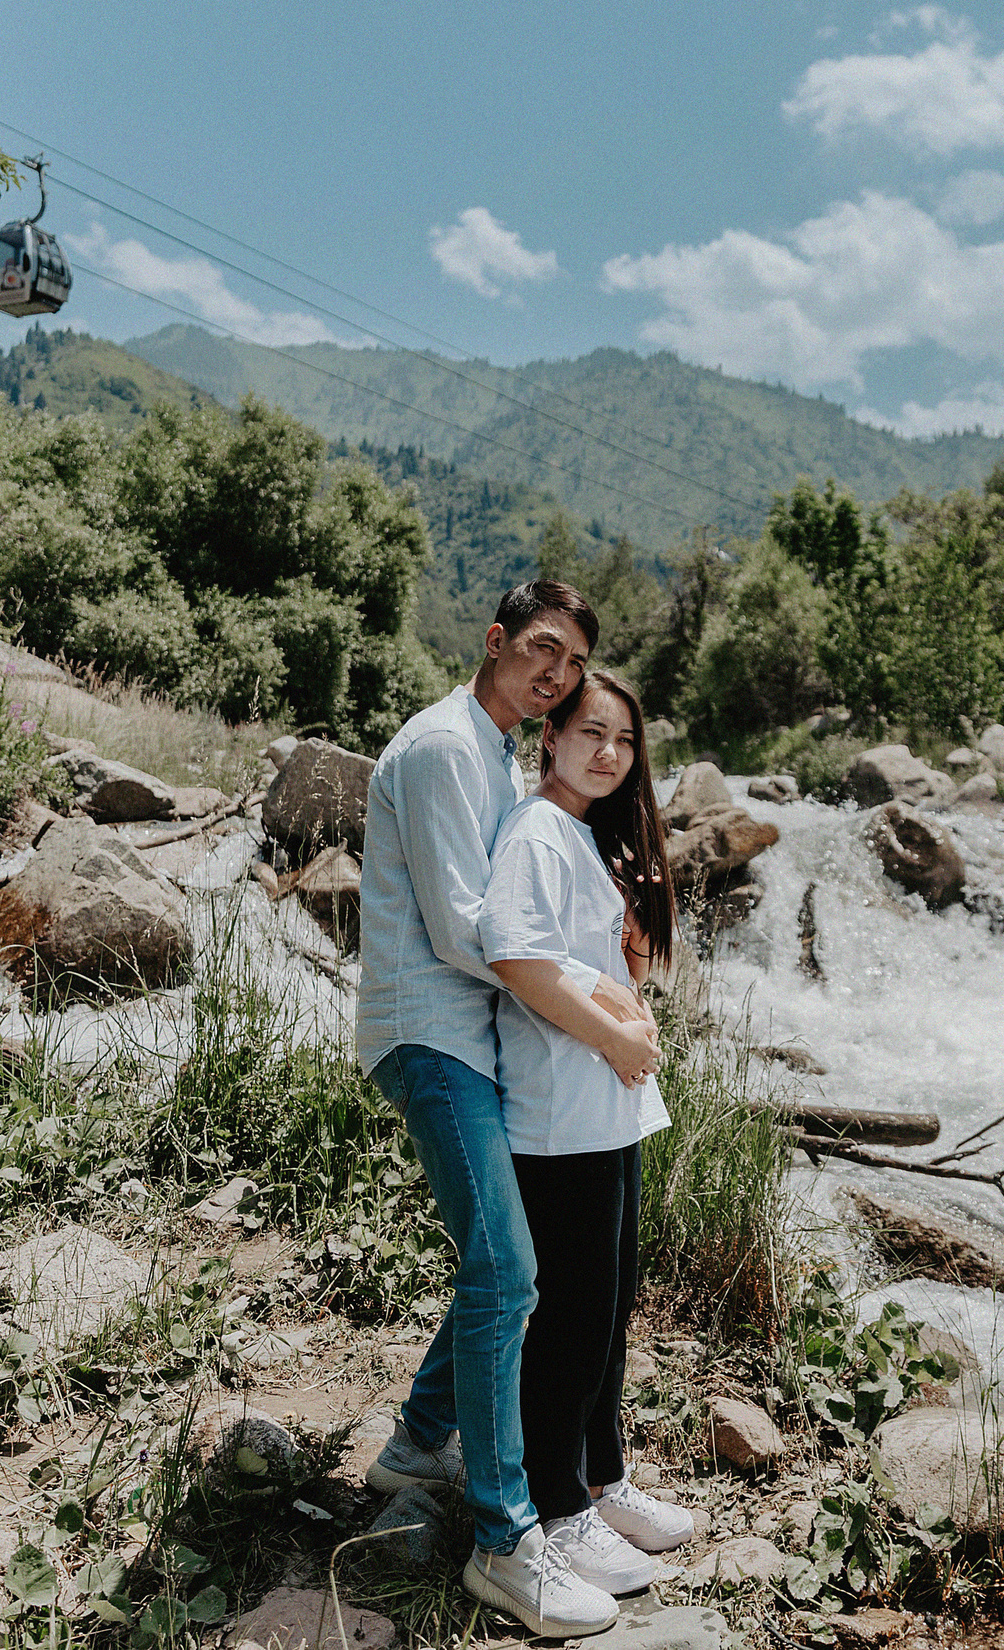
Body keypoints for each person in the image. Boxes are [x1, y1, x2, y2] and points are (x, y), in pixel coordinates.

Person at [353, 582, 655, 1639]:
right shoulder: (444, 747)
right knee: (511, 1273)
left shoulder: (490, 751)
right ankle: (504, 1537)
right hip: (430, 1036)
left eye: (567, 664)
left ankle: (419, 1441)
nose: (554, 677)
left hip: (470, 1040)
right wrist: (580, 991)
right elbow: (463, 932)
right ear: (493, 643)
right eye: (539, 652)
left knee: (501, 1257)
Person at [480, 670, 700, 1596]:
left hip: (610, 1108)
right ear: (552, 738)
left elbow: (626, 968)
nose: (609, 752)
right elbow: (516, 955)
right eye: (591, 733)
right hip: (559, 1111)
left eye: (624, 740)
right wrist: (613, 1031)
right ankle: (556, 1509)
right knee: (569, 1315)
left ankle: (601, 1480)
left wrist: (644, 897)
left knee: (609, 1311)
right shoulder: (535, 831)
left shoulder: (589, 836)